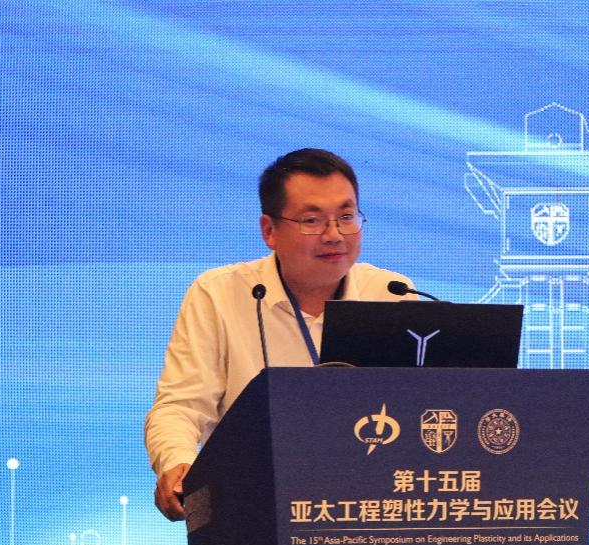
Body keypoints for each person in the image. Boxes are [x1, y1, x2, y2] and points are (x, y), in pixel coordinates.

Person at [145, 148, 415, 521]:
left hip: (369, 513)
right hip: (254, 509)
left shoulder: (391, 294)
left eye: (346, 217)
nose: (334, 235)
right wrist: (177, 462)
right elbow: (181, 406)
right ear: (269, 231)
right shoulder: (219, 294)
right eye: (311, 220)